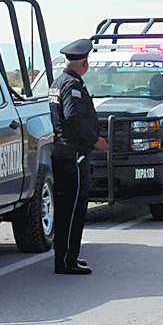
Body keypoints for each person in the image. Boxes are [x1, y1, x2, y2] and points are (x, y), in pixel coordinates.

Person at [49, 38, 108, 275]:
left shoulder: (59, 82)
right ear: (83, 63)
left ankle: (68, 256)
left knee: (67, 207)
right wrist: (96, 140)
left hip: (64, 151)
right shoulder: (72, 86)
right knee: (72, 208)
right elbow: (73, 118)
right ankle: (65, 261)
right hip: (72, 153)